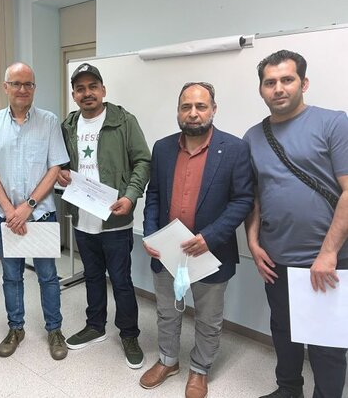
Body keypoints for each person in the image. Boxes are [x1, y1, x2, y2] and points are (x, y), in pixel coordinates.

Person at [244, 50, 348, 398]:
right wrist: (253, 243)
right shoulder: (253, 137)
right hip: (277, 258)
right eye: (270, 82)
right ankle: (288, 389)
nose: (278, 88)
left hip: (327, 259)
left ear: (303, 83)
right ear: (261, 89)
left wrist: (328, 254)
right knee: (284, 331)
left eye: (287, 80)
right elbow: (254, 197)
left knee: (326, 344)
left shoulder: (334, 123)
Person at [139, 82, 254, 398]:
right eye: (186, 106)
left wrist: (211, 236)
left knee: (208, 319)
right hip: (168, 251)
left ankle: (200, 370)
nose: (193, 113)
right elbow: (154, 194)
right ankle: (168, 361)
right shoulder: (163, 148)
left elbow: (243, 200)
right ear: (178, 111)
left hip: (210, 252)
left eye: (201, 106)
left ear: (213, 110)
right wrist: (150, 232)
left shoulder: (234, 149)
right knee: (167, 311)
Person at [58, 63, 151, 369]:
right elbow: (61, 163)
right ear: (74, 94)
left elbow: (143, 161)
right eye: (80, 89)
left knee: (121, 280)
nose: (87, 93)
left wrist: (130, 195)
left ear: (103, 90)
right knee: (93, 276)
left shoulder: (123, 121)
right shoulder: (68, 125)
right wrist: (61, 172)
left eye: (92, 87)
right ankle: (95, 326)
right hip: (82, 217)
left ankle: (129, 334)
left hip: (115, 219)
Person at [0, 62, 69, 361]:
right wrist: (10, 210)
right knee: (11, 276)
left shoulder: (49, 121)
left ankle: (54, 330)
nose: (22, 89)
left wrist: (27, 207)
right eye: (16, 83)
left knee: (48, 276)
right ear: (5, 87)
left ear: (34, 88)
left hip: (40, 213)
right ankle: (15, 328)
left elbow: (55, 168)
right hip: (6, 217)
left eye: (28, 84)